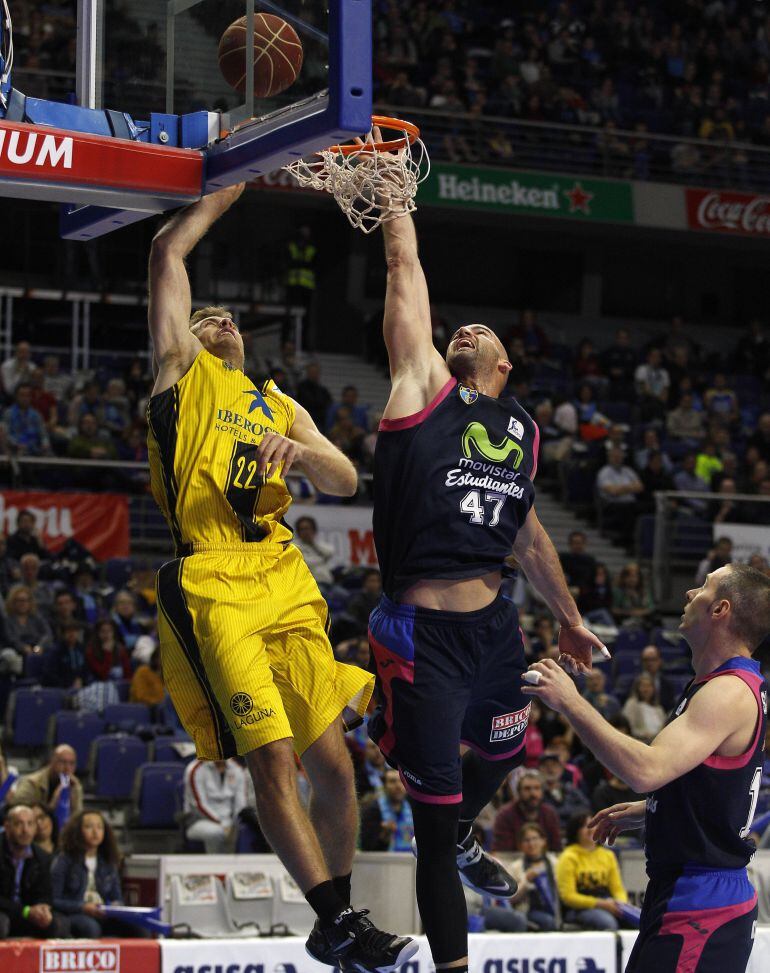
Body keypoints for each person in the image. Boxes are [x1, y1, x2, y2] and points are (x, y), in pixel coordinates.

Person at [146, 185, 412, 971]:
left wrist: (301, 449)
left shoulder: (273, 400)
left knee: (335, 760)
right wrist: (230, 180)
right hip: (212, 577)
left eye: (228, 317)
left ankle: (341, 914)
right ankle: (335, 919)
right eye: (205, 316)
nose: (220, 318)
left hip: (283, 574)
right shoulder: (177, 377)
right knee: (274, 759)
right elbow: (167, 253)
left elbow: (341, 479)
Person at [363, 135, 606, 973]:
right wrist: (396, 192)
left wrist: (569, 619)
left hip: (496, 626)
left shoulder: (526, 433)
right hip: (425, 633)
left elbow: (531, 533)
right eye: (457, 327)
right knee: (430, 828)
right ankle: (455, 965)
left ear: (504, 364)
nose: (465, 326)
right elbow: (406, 275)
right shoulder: (423, 385)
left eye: (484, 331)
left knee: (507, 747)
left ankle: (464, 826)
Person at [522, 563, 770, 973]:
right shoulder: (724, 685)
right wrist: (651, 809)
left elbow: (646, 771)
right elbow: (728, 782)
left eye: (704, 587)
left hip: (701, 901)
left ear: (720, 610)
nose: (690, 593)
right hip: (690, 892)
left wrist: (569, 701)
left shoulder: (727, 692)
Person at [52, 810, 148, 938]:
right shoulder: (64, 860)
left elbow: (117, 898)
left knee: (141, 927)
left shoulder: (108, 862)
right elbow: (54, 900)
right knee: (91, 928)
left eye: (99, 827)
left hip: (103, 914)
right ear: (77, 831)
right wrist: (83, 907)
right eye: (89, 827)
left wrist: (114, 906)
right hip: (75, 913)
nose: (95, 832)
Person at [555, 811, 631, 931]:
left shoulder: (608, 855)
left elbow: (617, 888)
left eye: (593, 825)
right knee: (607, 922)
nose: (591, 829)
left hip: (608, 904)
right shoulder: (568, 857)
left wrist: (620, 904)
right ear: (575, 831)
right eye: (585, 826)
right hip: (579, 909)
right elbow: (568, 897)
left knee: (638, 920)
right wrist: (602, 904)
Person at [0, 804, 65, 939]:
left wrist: (43, 909)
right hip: (6, 911)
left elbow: (45, 894)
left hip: (28, 913)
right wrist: (26, 911)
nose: (25, 830)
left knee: (58, 924)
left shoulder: (42, 857)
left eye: (30, 824)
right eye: (19, 824)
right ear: (7, 826)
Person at [183, 757, 248, 853]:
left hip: (229, 821)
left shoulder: (237, 769)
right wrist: (223, 825)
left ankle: (235, 864)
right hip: (199, 820)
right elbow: (199, 805)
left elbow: (241, 804)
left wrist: (234, 824)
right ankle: (217, 866)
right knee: (216, 832)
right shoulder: (195, 769)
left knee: (245, 830)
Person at [492, 771, 562, 853]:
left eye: (537, 788)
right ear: (519, 792)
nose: (533, 793)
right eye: (527, 789)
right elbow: (503, 852)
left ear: (542, 792)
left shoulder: (549, 813)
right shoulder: (505, 815)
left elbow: (556, 848)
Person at [10, 746, 83, 825]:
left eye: (72, 763)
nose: (67, 768)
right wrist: (55, 801)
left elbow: (77, 817)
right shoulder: (32, 782)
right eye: (63, 762)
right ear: (52, 761)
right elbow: (15, 812)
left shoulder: (74, 784)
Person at [359, 768, 415, 852]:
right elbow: (367, 850)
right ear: (384, 786)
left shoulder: (413, 808)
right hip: (383, 863)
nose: (398, 786)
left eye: (402, 781)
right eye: (392, 781)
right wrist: (384, 837)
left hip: (410, 862)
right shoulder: (372, 810)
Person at [292, 516, 336, 588]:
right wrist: (321, 559)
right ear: (298, 532)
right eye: (302, 529)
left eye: (307, 529)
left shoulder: (318, 544)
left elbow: (330, 552)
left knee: (345, 594)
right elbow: (307, 563)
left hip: (328, 583)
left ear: (314, 530)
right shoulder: (294, 546)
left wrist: (313, 543)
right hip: (311, 585)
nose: (305, 532)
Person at [622, 673, 667, 743]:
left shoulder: (659, 709)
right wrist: (643, 734)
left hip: (658, 741)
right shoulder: (632, 704)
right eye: (643, 686)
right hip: (640, 741)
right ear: (637, 688)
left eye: (649, 686)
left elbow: (664, 728)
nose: (646, 689)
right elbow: (627, 728)